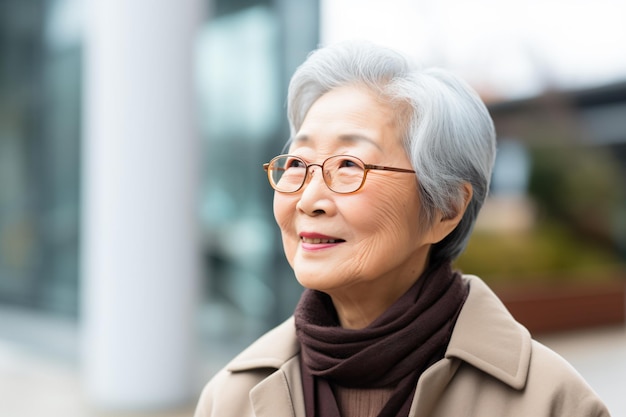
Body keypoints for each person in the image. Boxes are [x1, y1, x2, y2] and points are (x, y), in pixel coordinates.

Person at [194, 41, 610, 417]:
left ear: (445, 208)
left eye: (349, 166)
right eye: (299, 164)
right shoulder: (230, 398)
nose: (307, 200)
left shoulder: (551, 402)